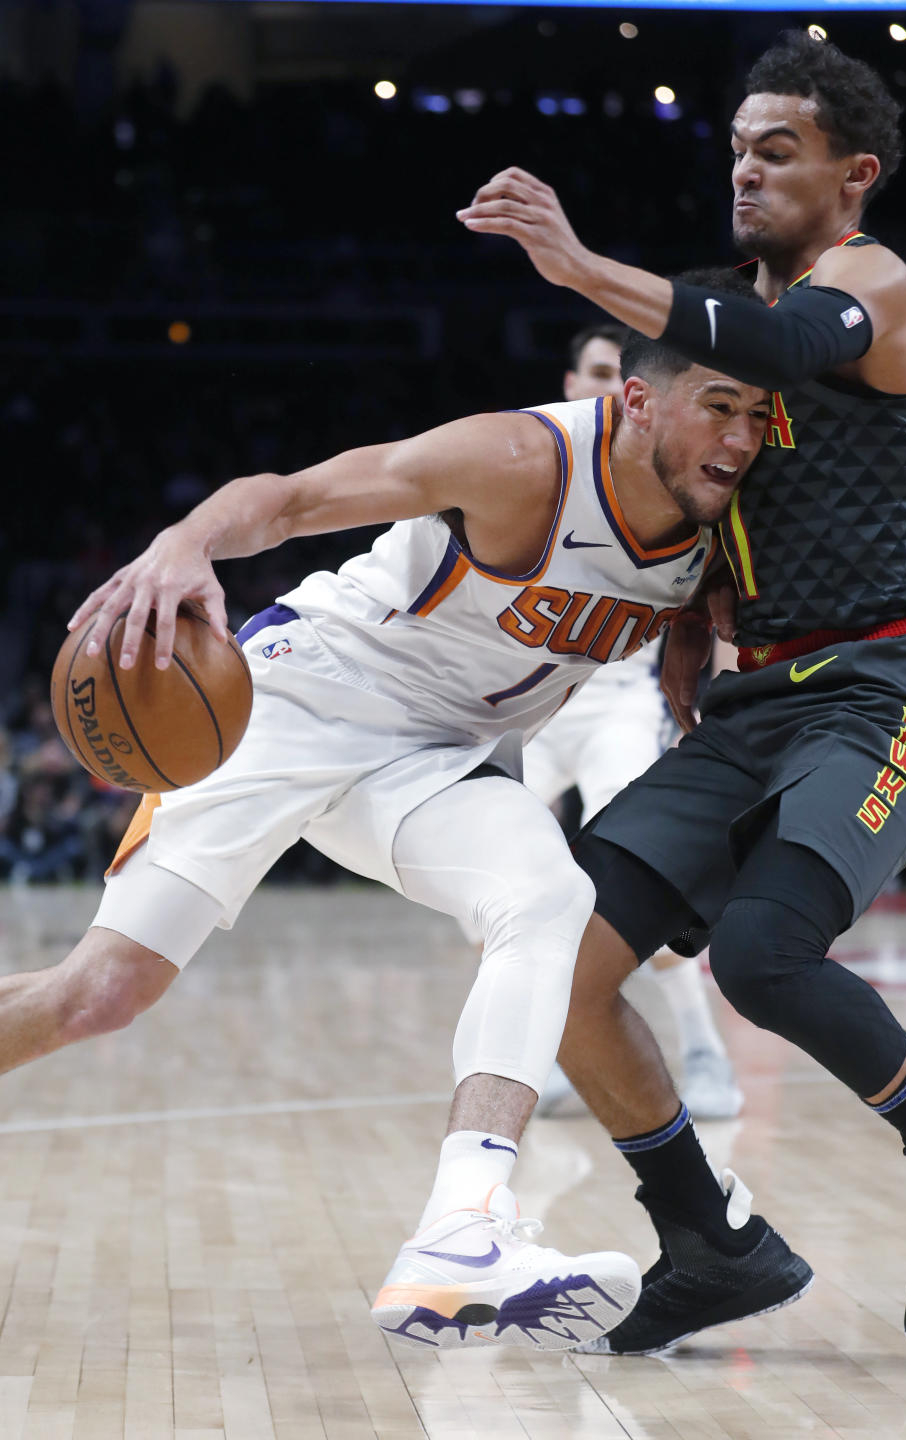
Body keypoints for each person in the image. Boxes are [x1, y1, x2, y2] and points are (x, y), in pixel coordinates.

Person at [3, 277, 778, 1354]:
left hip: (434, 757)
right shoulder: (524, 461)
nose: (739, 437)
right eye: (718, 406)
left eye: (755, 416)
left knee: (549, 897)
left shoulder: (715, 525)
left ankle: (461, 1236)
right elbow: (288, 497)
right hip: (297, 700)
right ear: (637, 404)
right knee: (99, 995)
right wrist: (182, 543)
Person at [458, 29, 906, 1353]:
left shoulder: (871, 282)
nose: (745, 170)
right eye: (736, 149)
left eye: (776, 151)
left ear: (853, 174)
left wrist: (574, 267)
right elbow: (688, 483)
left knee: (762, 957)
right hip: (752, 697)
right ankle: (713, 1243)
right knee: (563, 967)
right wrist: (689, 612)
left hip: (885, 682)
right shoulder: (713, 312)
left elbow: (788, 340)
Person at [531, 323, 743, 1121]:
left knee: (644, 895)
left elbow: (717, 608)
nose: (604, 389)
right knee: (496, 899)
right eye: (592, 372)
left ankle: (704, 1051)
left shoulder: (671, 478)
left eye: (616, 378)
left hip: (615, 709)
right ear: (569, 380)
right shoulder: (532, 458)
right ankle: (544, 1051)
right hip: (525, 715)